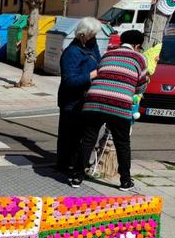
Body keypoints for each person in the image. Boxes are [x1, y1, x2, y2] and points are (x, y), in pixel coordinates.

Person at [74, 29, 148, 191]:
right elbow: (141, 86)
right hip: (119, 104)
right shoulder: (140, 58)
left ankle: (77, 176)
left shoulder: (108, 54)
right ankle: (125, 181)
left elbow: (101, 73)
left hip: (94, 101)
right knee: (122, 143)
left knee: (88, 138)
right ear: (137, 45)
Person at [56, 17, 102, 176]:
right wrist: (91, 75)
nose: (95, 37)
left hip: (86, 100)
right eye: (93, 34)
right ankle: (64, 166)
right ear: (84, 35)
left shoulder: (90, 47)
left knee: (81, 137)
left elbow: (99, 62)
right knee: (69, 137)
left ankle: (76, 165)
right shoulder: (72, 52)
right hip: (71, 101)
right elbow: (69, 80)